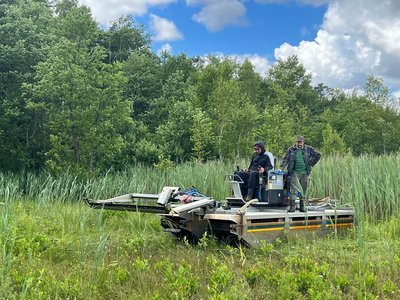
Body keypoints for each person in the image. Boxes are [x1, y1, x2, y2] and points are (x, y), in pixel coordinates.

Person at [279, 135, 321, 212]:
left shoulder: (308, 149)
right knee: (294, 188)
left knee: (304, 189)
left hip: (305, 172)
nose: (299, 144)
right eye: (297, 142)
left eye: (300, 142)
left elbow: (318, 155)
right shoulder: (291, 149)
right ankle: (292, 206)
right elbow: (285, 159)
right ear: (295, 142)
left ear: (303, 142)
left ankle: (302, 206)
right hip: (294, 171)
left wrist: (311, 163)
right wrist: (281, 168)